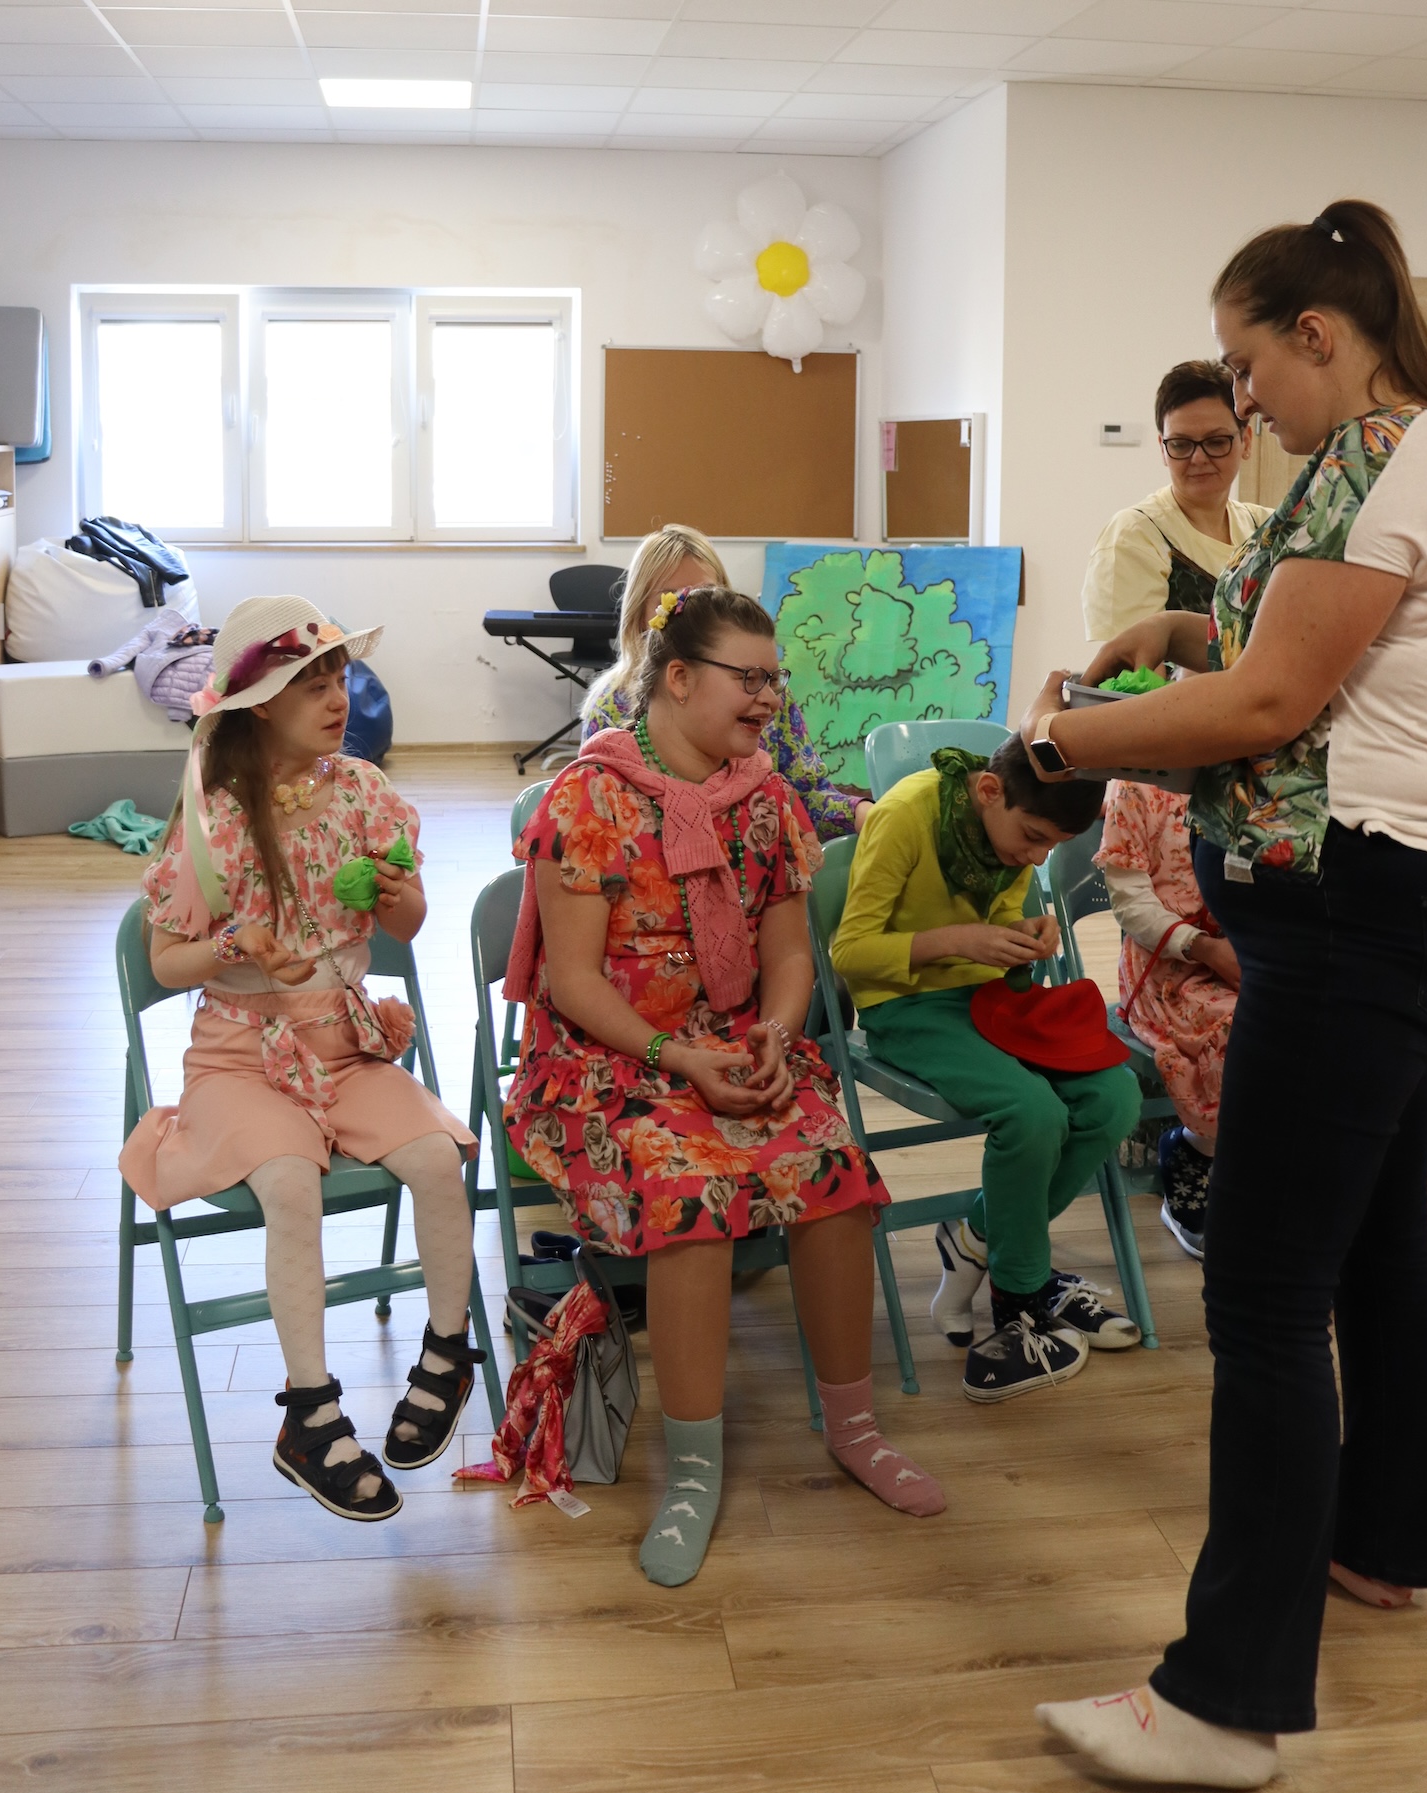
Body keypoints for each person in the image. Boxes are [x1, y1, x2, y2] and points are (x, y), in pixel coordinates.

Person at [1021, 200, 1427, 1790]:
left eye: (1248, 368)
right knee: (1372, 1240)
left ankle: (1225, 1705)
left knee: (1261, 1289)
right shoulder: (1385, 458)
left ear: (1321, 334)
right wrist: (1179, 625)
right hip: (1375, 907)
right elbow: (1296, 638)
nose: (1241, 403)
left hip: (1363, 916)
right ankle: (1386, 1540)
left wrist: (1056, 744)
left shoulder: (1405, 460)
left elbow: (1277, 698)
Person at [505, 583, 945, 1585]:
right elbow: (572, 983)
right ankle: (692, 1471)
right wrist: (676, 1058)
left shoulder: (767, 800)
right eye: (748, 679)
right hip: (606, 1063)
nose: (768, 699)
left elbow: (789, 955)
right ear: (676, 678)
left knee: (834, 1172)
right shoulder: (589, 797)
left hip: (733, 1044)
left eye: (773, 680)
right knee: (691, 1198)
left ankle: (855, 1430)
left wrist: (778, 1037)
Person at [122, 596, 481, 1523]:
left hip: (345, 1042)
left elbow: (409, 923)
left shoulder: (362, 790)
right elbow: (165, 962)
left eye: (338, 678)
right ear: (258, 706)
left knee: (438, 1158)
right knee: (289, 1182)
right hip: (239, 1058)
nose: (337, 698)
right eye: (310, 684)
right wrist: (233, 944)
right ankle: (310, 1414)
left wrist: (399, 897)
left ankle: (450, 1353)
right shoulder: (213, 816)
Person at [830, 738, 1142, 1403]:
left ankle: (976, 1234)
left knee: (1115, 1097)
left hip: (985, 999)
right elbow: (850, 953)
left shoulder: (1009, 835)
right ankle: (1019, 1293)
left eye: (1052, 847)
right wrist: (959, 941)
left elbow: (1000, 919)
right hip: (905, 1007)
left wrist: (1026, 935)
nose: (1037, 857)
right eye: (1032, 838)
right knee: (1033, 1114)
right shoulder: (906, 813)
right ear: (989, 791)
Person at [582, 522, 871, 839]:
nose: (690, 619)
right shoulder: (611, 707)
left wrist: (870, 814)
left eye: (705, 596)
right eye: (672, 603)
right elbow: (598, 818)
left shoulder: (765, 693)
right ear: (640, 612)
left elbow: (807, 795)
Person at [1096, 775, 1240, 1258]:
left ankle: (1255, 1172)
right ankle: (1195, 1151)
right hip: (1165, 969)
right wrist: (1207, 949)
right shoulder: (1135, 785)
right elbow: (1131, 904)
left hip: (1246, 948)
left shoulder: (1247, 770)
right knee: (1240, 1029)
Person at [1083, 359, 1272, 641]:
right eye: (1181, 445)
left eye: (1216, 441)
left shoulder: (1266, 526)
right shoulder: (1135, 534)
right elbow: (1134, 663)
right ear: (1162, 448)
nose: (1199, 458)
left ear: (1246, 441)